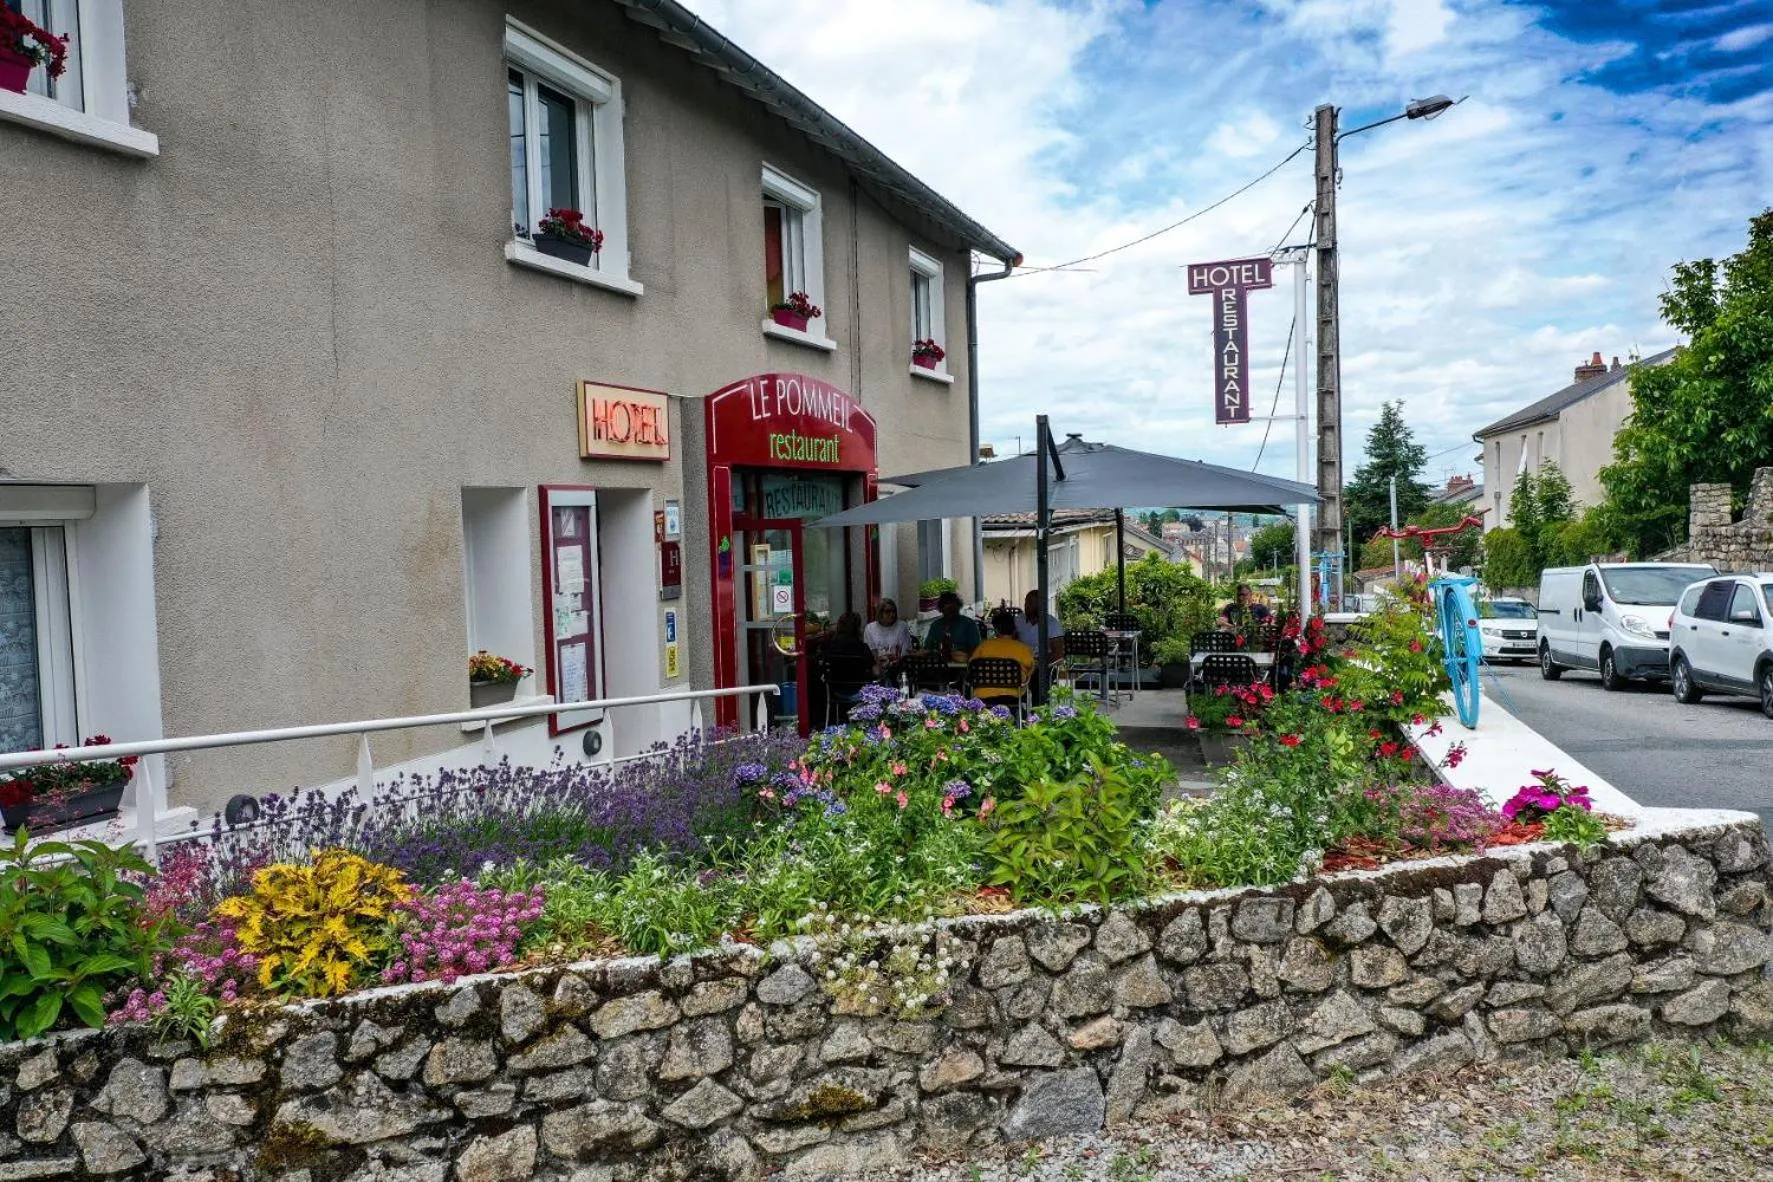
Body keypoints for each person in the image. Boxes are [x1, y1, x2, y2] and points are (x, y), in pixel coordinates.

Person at [971, 609, 1035, 703]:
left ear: (996, 630)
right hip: (1013, 694)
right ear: (1014, 629)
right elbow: (1031, 669)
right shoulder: (1023, 648)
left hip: (983, 694)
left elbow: (971, 666)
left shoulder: (983, 646)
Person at [923, 591, 982, 657]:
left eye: (952, 610)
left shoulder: (969, 624)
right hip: (940, 663)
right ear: (941, 610)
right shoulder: (936, 625)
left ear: (958, 608)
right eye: (947, 610)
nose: (950, 614)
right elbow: (928, 647)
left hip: (963, 664)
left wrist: (964, 655)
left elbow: (976, 649)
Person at [862, 599, 914, 668]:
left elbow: (906, 651)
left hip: (898, 665)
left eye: (894, 611)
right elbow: (870, 652)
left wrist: (894, 661)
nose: (892, 614)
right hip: (877, 666)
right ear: (880, 613)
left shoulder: (902, 627)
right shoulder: (870, 628)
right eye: (888, 611)